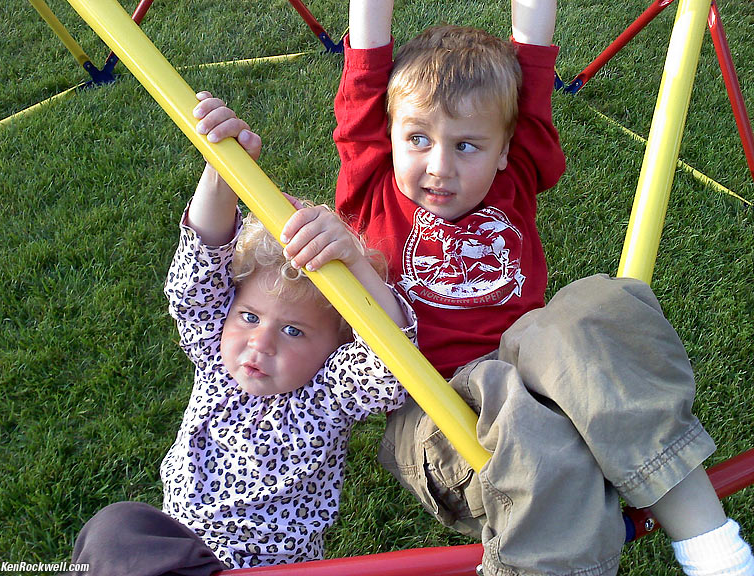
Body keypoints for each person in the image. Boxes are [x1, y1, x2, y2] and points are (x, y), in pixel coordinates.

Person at [333, 0, 754, 575]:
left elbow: (530, 58)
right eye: (418, 139)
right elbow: (364, 71)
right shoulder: (376, 187)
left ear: (506, 150)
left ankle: (714, 550)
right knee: (534, 429)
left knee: (594, 306)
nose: (439, 166)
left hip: (537, 374)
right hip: (439, 412)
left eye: (466, 145)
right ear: (389, 138)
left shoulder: (516, 174)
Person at [66, 92, 416, 574]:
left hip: (264, 567)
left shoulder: (328, 394)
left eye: (294, 331)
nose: (261, 343)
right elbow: (196, 275)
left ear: (338, 346)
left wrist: (355, 264)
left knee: (113, 531)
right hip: (179, 548)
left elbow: (393, 362)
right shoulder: (216, 357)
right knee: (115, 526)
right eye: (249, 316)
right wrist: (222, 170)